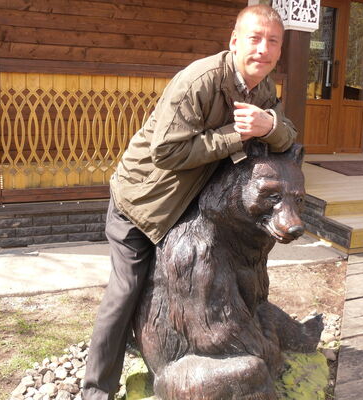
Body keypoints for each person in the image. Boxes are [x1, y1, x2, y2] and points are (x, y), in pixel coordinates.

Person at [82, 4, 297, 399]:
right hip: (144, 201)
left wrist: (270, 126)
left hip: (191, 203)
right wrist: (237, 136)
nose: (263, 49)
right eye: (254, 38)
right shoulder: (199, 81)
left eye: (272, 42)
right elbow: (166, 152)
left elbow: (286, 139)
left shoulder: (263, 89)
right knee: (127, 288)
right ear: (234, 41)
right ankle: (96, 388)